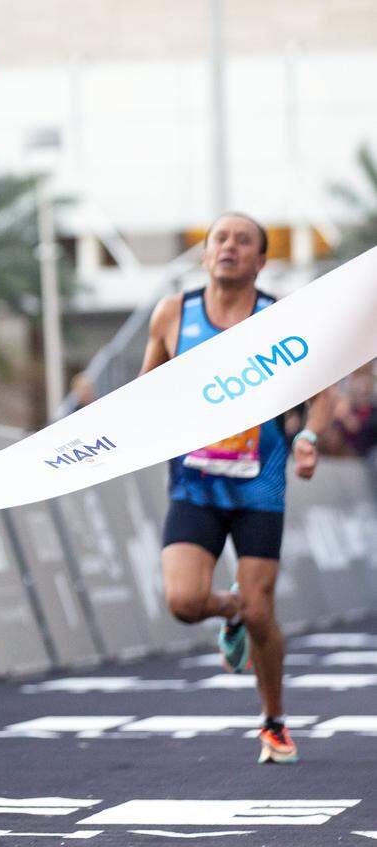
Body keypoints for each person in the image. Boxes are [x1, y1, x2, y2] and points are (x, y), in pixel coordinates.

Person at [139, 212, 331, 765]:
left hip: (259, 487)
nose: (229, 247)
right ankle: (230, 613)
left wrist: (309, 436)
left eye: (243, 241)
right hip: (194, 484)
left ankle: (273, 722)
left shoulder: (279, 319)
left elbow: (322, 391)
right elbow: (143, 394)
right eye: (219, 239)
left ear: (261, 261)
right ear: (205, 255)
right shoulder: (173, 314)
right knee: (184, 602)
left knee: (262, 608)